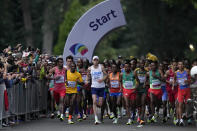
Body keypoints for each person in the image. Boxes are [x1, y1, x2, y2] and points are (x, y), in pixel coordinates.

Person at [86, 56, 108, 124]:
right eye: (94, 60)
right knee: (94, 101)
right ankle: (96, 118)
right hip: (94, 87)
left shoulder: (101, 67)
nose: (95, 61)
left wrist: (102, 79)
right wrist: (87, 80)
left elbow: (106, 75)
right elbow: (87, 75)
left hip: (101, 87)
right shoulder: (90, 68)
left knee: (100, 104)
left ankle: (97, 105)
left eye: (96, 60)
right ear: (92, 61)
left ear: (98, 61)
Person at [48, 57, 67, 121]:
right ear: (57, 63)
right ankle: (53, 112)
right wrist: (54, 78)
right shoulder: (54, 69)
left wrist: (66, 81)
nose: (60, 63)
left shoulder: (65, 69)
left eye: (62, 62)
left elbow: (66, 77)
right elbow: (47, 76)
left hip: (63, 88)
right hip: (56, 88)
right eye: (59, 62)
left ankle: (62, 115)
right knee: (55, 101)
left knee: (62, 100)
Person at [174, 60, 191, 126]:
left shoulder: (187, 71)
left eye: (182, 64)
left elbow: (191, 79)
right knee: (180, 104)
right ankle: (181, 120)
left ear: (183, 65)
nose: (180, 66)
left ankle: (187, 116)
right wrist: (174, 84)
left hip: (187, 89)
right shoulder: (176, 73)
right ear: (178, 66)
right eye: (179, 64)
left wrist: (188, 80)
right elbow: (175, 80)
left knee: (187, 104)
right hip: (180, 89)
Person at [134, 59, 147, 125]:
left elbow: (148, 79)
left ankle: (142, 118)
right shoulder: (136, 71)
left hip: (144, 88)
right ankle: (139, 116)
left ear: (144, 64)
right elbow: (134, 78)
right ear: (139, 64)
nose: (142, 64)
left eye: (143, 63)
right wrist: (137, 83)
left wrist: (145, 83)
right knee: (138, 103)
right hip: (138, 88)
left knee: (143, 102)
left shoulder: (146, 71)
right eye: (141, 63)